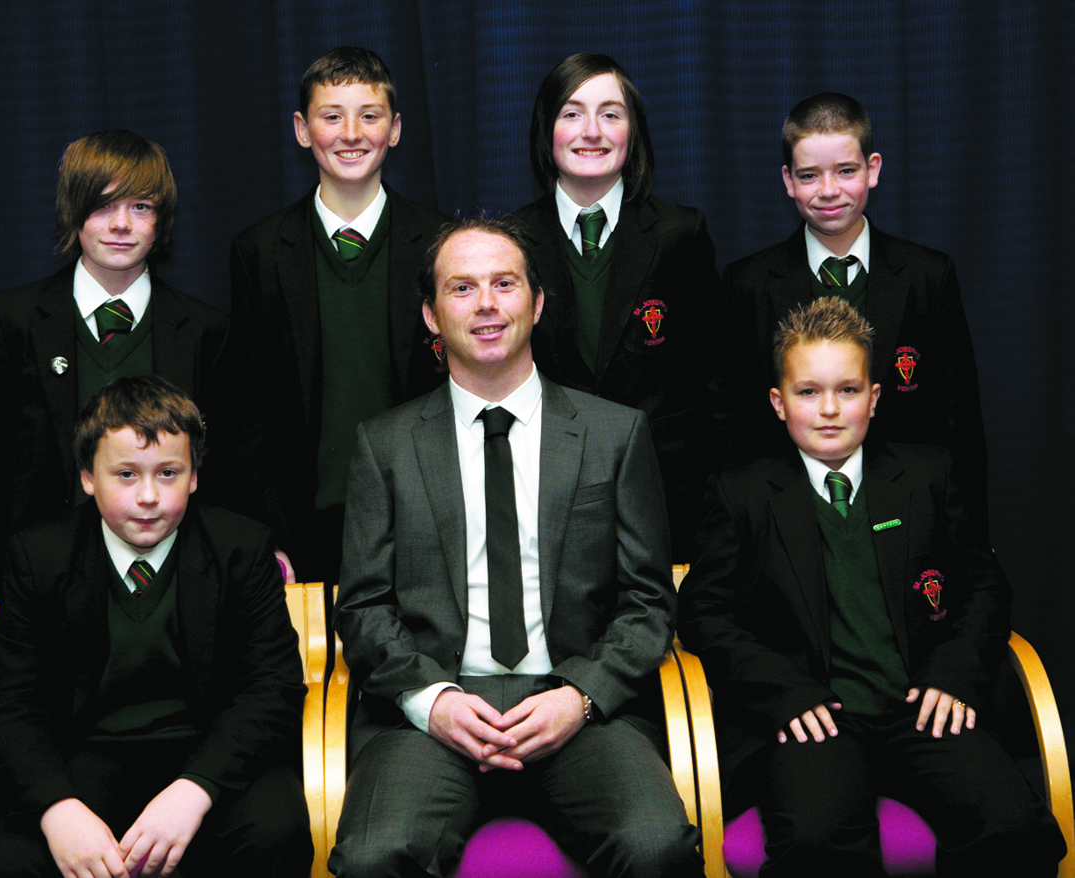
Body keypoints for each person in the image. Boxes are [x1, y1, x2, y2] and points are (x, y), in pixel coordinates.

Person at [329, 216, 702, 878]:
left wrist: (579, 696)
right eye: (461, 287)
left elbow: (648, 602)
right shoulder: (383, 445)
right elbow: (362, 607)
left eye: (504, 283)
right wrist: (433, 702)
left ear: (537, 302)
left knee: (655, 844)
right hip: (433, 711)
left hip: (578, 706)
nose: (486, 304)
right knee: (372, 856)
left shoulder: (613, 435)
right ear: (430, 315)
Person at [680, 297, 1064, 876]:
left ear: (875, 398)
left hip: (921, 710)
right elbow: (703, 613)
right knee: (815, 845)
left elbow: (984, 588)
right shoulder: (742, 493)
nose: (829, 409)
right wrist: (783, 691)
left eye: (848, 390)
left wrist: (953, 674)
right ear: (778, 403)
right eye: (808, 392)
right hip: (814, 718)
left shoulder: (929, 475)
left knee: (1013, 828)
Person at [0, 374, 311, 878]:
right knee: (9, 863)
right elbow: (7, 703)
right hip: (79, 757)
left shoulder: (241, 548)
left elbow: (272, 688)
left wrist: (195, 790)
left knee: (275, 833)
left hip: (209, 752)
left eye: (169, 473)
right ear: (88, 477)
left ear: (194, 476)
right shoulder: (39, 556)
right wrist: (57, 808)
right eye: (126, 475)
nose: (149, 495)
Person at [0, 129, 228, 648]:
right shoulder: (12, 320)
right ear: (72, 211)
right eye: (102, 206)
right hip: (37, 596)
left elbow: (226, 465)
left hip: (173, 593)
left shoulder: (205, 331)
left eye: (140, 206)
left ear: (161, 219)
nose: (121, 224)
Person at [716, 92, 988, 531]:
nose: (828, 190)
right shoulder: (747, 284)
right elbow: (731, 422)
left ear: (872, 169)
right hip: (785, 521)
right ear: (788, 180)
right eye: (809, 175)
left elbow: (959, 421)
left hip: (909, 515)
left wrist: (969, 534)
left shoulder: (927, 276)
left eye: (846, 171)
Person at [226, 46, 446, 585]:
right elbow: (247, 410)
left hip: (425, 523)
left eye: (369, 116)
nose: (351, 134)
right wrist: (267, 533)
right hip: (303, 530)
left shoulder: (441, 244)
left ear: (395, 129)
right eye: (331, 117)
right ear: (302, 130)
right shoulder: (260, 252)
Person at [512, 52, 721, 563]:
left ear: (633, 132)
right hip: (547, 491)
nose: (592, 131)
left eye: (610, 114)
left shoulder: (680, 234)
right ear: (546, 129)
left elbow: (713, 374)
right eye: (572, 113)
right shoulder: (511, 241)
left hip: (666, 490)